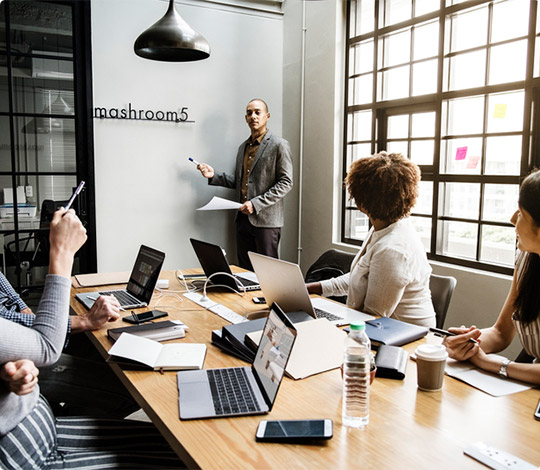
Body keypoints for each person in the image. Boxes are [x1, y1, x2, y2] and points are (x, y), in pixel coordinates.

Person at [0, 208, 184, 469]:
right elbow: (45, 346)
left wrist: (12, 362)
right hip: (29, 457)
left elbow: (16, 313)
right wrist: (62, 252)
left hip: (40, 426)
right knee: (183, 456)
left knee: (173, 443)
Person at [306, 152, 436, 328]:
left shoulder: (393, 249)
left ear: (361, 203)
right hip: (379, 328)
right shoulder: (383, 228)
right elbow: (360, 278)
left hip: (404, 341)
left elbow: (372, 318)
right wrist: (310, 289)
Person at [444, 169, 540, 385]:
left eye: (522, 214)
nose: (512, 219)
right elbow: (500, 332)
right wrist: (466, 344)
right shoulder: (526, 258)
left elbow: (489, 360)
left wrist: (491, 363)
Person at [0, 272, 139, 418]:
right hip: (12, 357)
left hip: (26, 334)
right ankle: (64, 420)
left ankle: (65, 413)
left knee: (105, 347)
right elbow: (42, 345)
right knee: (131, 388)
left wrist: (24, 309)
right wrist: (84, 320)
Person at [196, 99, 293, 270]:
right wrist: (214, 175)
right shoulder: (243, 147)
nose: (253, 116)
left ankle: (269, 299)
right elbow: (242, 181)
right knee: (245, 271)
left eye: (257, 112)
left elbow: (286, 182)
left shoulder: (279, 145)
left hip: (266, 221)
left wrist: (256, 204)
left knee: (268, 272)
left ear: (267, 116)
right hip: (242, 220)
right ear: (245, 118)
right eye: (249, 113)